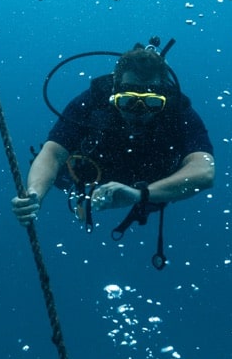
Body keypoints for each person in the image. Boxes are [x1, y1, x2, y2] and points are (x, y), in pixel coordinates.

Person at [11, 40, 215, 248]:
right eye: (127, 101)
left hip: (151, 185)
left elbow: (205, 171)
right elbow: (53, 152)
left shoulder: (177, 112)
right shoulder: (94, 101)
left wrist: (140, 195)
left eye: (152, 103)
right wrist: (34, 192)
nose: (139, 112)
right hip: (93, 173)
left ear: (163, 96)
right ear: (114, 91)